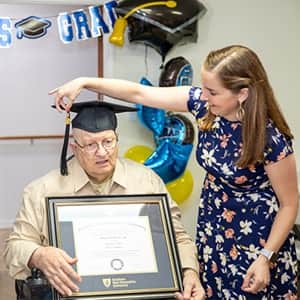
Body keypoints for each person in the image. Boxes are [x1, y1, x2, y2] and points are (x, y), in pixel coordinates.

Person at [49, 45, 299, 299]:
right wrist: (85, 82)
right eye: (203, 87)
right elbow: (139, 93)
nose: (204, 95)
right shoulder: (205, 107)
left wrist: (266, 256)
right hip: (214, 232)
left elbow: (289, 204)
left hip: (257, 241)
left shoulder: (270, 139)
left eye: (212, 91)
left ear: (242, 94)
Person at [4, 101, 205, 300]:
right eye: (91, 145)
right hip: (72, 294)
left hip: (137, 292)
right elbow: (14, 247)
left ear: (117, 139)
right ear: (75, 148)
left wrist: (190, 272)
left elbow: (176, 236)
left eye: (108, 142)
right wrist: (39, 255)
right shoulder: (42, 190)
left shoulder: (146, 180)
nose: (102, 152)